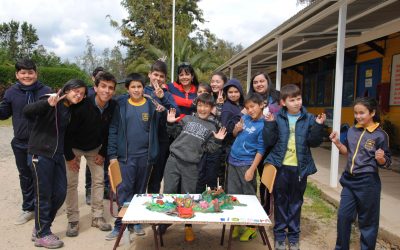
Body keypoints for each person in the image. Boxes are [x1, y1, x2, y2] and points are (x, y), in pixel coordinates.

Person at [23, 79, 87, 249]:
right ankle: (43, 234)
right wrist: (47, 104)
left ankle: (40, 227)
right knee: (42, 196)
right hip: (40, 154)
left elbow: (64, 136)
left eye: (82, 93)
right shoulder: (50, 98)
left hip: (57, 157)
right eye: (76, 91)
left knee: (59, 193)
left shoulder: (69, 109)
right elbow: (27, 111)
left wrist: (69, 156)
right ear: (67, 89)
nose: (79, 95)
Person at [263, 84, 326, 250]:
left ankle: (293, 236)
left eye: (299, 99)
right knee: (280, 201)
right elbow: (269, 142)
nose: (297, 102)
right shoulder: (277, 118)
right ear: (283, 102)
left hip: (299, 168)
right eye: (293, 100)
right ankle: (279, 236)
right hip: (280, 167)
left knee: (296, 202)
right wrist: (269, 124)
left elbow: (314, 142)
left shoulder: (309, 118)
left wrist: (319, 126)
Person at [162, 93, 227, 242]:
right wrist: (170, 123)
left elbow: (209, 149)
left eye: (206, 106)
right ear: (196, 105)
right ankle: (164, 223)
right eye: (200, 105)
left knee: (188, 197)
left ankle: (188, 226)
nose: (203, 108)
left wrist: (217, 141)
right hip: (173, 160)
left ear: (211, 108)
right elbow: (173, 133)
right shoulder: (186, 119)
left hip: (191, 165)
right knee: (168, 193)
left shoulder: (212, 127)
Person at [106, 73, 163, 240]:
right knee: (124, 190)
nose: (136, 90)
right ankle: (119, 225)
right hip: (125, 157)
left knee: (139, 192)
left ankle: (136, 222)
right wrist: (112, 154)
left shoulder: (152, 106)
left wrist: (161, 99)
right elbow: (113, 130)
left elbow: (167, 112)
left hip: (145, 158)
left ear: (144, 88)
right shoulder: (121, 105)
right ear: (128, 89)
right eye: (133, 87)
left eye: (139, 87)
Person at [329, 97, 391, 250]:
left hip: (368, 183)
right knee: (343, 217)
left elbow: (387, 162)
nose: (358, 116)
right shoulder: (352, 130)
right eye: (356, 113)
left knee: (367, 222)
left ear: (372, 113)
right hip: (349, 181)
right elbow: (348, 152)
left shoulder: (380, 135)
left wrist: (381, 159)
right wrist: (337, 143)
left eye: (362, 113)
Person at [64, 72, 117, 237]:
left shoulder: (113, 106)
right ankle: (73, 219)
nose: (106, 91)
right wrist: (69, 156)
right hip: (74, 147)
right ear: (95, 87)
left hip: (95, 147)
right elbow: (66, 132)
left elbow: (110, 132)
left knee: (99, 181)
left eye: (110, 88)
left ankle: (97, 216)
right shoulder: (81, 105)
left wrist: (102, 152)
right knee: (71, 184)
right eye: (103, 86)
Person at [0, 59, 51, 225]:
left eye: (30, 72)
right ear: (17, 74)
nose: (27, 76)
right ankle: (28, 208)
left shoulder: (46, 91)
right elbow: (4, 113)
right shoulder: (11, 92)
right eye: (23, 72)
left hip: (41, 143)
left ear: (36, 73)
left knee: (41, 176)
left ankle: (44, 207)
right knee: (25, 176)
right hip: (20, 143)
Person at [227, 93, 266, 242]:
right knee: (234, 195)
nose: (249, 110)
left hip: (246, 164)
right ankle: (238, 223)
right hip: (233, 161)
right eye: (247, 107)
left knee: (249, 197)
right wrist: (237, 129)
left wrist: (252, 169)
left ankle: (251, 227)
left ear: (261, 105)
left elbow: (260, 150)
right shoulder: (246, 118)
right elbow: (236, 135)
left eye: (252, 106)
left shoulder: (263, 125)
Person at [248, 71, 281, 213]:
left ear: (268, 82)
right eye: (255, 82)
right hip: (258, 146)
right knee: (262, 180)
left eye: (261, 81)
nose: (259, 84)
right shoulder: (250, 99)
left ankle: (272, 209)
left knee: (272, 179)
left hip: (274, 145)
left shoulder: (277, 97)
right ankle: (264, 208)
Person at [145, 59, 178, 194]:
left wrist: (163, 98)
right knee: (141, 176)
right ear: (149, 74)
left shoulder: (168, 95)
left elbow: (177, 111)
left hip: (162, 140)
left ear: (165, 79)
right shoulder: (141, 90)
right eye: (155, 74)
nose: (157, 78)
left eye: (161, 76)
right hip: (144, 139)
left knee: (156, 177)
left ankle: (152, 205)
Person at [85, 66, 105, 205]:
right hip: (87, 139)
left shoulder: (108, 96)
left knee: (103, 166)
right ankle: (88, 190)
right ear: (94, 79)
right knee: (89, 167)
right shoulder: (87, 96)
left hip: (102, 138)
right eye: (98, 77)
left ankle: (106, 190)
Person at [220, 78, 245, 189]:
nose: (233, 94)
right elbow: (225, 126)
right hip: (230, 146)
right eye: (230, 92)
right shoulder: (227, 107)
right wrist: (240, 114)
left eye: (236, 91)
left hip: (243, 145)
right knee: (232, 177)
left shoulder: (242, 104)